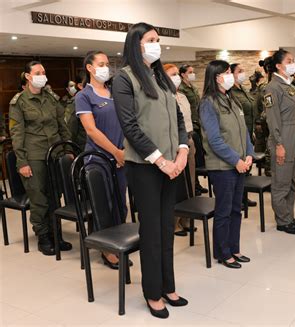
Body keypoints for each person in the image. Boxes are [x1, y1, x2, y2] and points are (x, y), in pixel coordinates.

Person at [113, 22, 188, 319]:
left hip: (171, 165)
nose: (157, 44)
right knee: (152, 231)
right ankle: (153, 292)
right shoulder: (125, 78)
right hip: (145, 167)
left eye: (158, 40)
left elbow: (179, 120)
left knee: (167, 228)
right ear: (136, 44)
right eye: (151, 39)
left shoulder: (162, 79)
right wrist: (161, 160)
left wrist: (182, 151)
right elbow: (130, 127)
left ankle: (169, 286)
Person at [9, 61, 72, 255]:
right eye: (38, 72)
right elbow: (17, 134)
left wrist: (67, 148)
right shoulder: (19, 102)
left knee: (55, 196)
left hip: (54, 154)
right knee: (39, 198)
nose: (42, 75)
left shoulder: (51, 98)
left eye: (44, 72)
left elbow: (62, 125)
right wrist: (22, 162)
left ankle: (56, 234)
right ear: (28, 76)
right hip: (34, 155)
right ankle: (43, 236)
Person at [75, 50, 129, 269]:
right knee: (104, 205)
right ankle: (106, 250)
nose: (106, 67)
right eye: (101, 63)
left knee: (120, 203)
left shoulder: (115, 91)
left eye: (107, 63)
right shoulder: (84, 96)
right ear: (89, 67)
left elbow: (126, 122)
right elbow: (91, 130)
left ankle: (118, 243)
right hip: (99, 160)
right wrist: (115, 152)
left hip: (121, 157)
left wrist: (123, 151)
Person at [200, 60, 254, 269]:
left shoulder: (232, 99)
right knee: (223, 211)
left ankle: (234, 247)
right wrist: (236, 160)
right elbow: (214, 140)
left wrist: (248, 154)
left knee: (235, 209)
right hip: (223, 167)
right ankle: (223, 252)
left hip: (240, 163)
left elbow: (244, 131)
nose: (230, 75)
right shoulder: (208, 103)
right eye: (227, 72)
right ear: (216, 77)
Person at [264, 49, 295, 235]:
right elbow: (272, 119)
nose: (292, 63)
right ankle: (282, 220)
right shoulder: (272, 88)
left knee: (291, 181)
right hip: (282, 139)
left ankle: (289, 216)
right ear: (279, 66)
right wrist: (279, 144)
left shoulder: (290, 86)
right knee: (281, 182)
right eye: (289, 61)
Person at [163, 63, 197, 237]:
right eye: (172, 74)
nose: (177, 77)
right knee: (176, 186)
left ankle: (186, 219)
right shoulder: (163, 97)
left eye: (177, 74)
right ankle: (174, 222)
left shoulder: (182, 96)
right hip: (174, 146)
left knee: (189, 183)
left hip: (188, 141)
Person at [179, 64, 208, 195]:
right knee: (191, 156)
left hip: (197, 123)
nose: (192, 74)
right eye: (190, 72)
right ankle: (193, 185)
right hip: (189, 126)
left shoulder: (193, 87)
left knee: (196, 156)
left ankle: (196, 183)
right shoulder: (182, 89)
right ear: (183, 74)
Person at [230, 63, 257, 137]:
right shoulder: (230, 92)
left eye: (243, 71)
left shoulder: (244, 90)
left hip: (249, 131)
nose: (243, 73)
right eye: (240, 71)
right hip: (239, 134)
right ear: (232, 75)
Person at [65, 73, 87, 151]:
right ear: (80, 86)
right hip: (83, 146)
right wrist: (69, 149)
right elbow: (70, 128)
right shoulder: (76, 102)